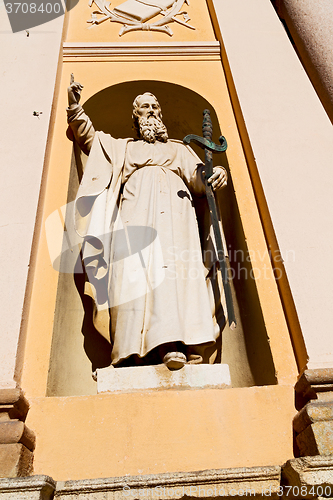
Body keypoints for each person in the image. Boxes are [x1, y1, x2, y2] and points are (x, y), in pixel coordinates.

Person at [67, 76, 228, 370]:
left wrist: (214, 174)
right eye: (145, 107)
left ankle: (179, 342)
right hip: (134, 215)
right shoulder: (123, 148)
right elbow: (89, 138)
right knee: (134, 274)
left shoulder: (179, 149)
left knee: (176, 274)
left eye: (155, 106)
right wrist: (76, 107)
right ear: (135, 116)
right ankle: (132, 350)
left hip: (177, 219)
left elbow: (198, 178)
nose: (152, 110)